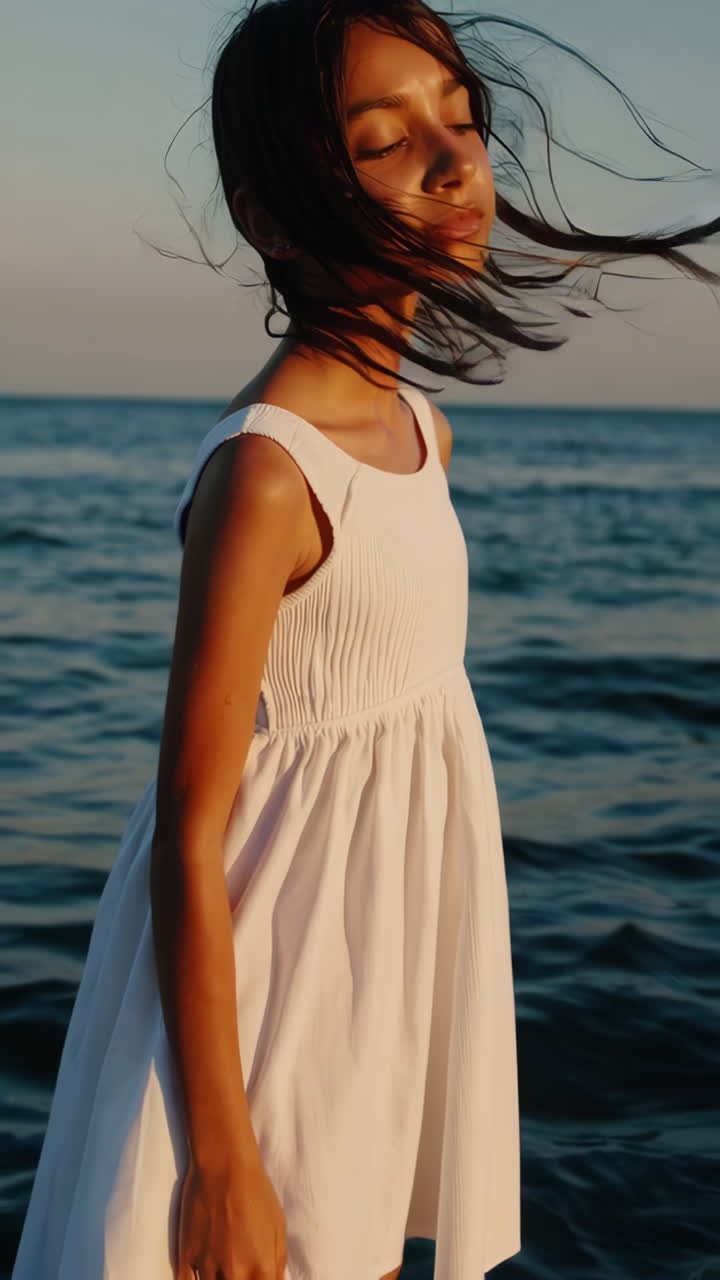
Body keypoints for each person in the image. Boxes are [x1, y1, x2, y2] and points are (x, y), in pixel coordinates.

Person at [11, 2, 719, 1279]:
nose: (456, 165)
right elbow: (187, 824)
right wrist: (220, 1158)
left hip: (370, 976)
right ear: (273, 216)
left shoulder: (422, 433)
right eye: (386, 141)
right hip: (259, 1001)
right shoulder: (270, 474)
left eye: (462, 120)